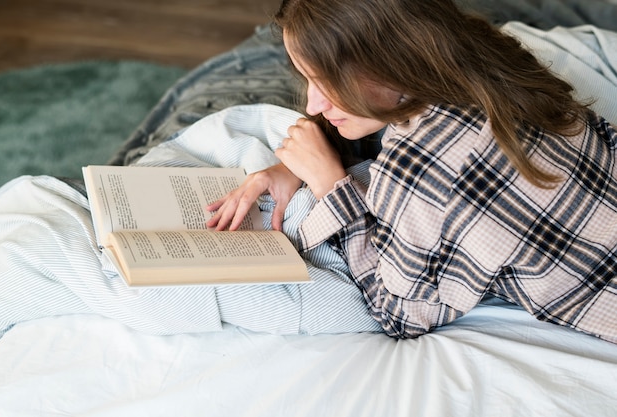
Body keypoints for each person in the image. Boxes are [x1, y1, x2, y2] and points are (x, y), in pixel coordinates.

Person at [207, 0, 617, 342]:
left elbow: (399, 315)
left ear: (387, 59)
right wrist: (302, 159)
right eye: (309, 79)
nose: (314, 104)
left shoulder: (417, 167)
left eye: (327, 80)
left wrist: (329, 183)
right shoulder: (490, 57)